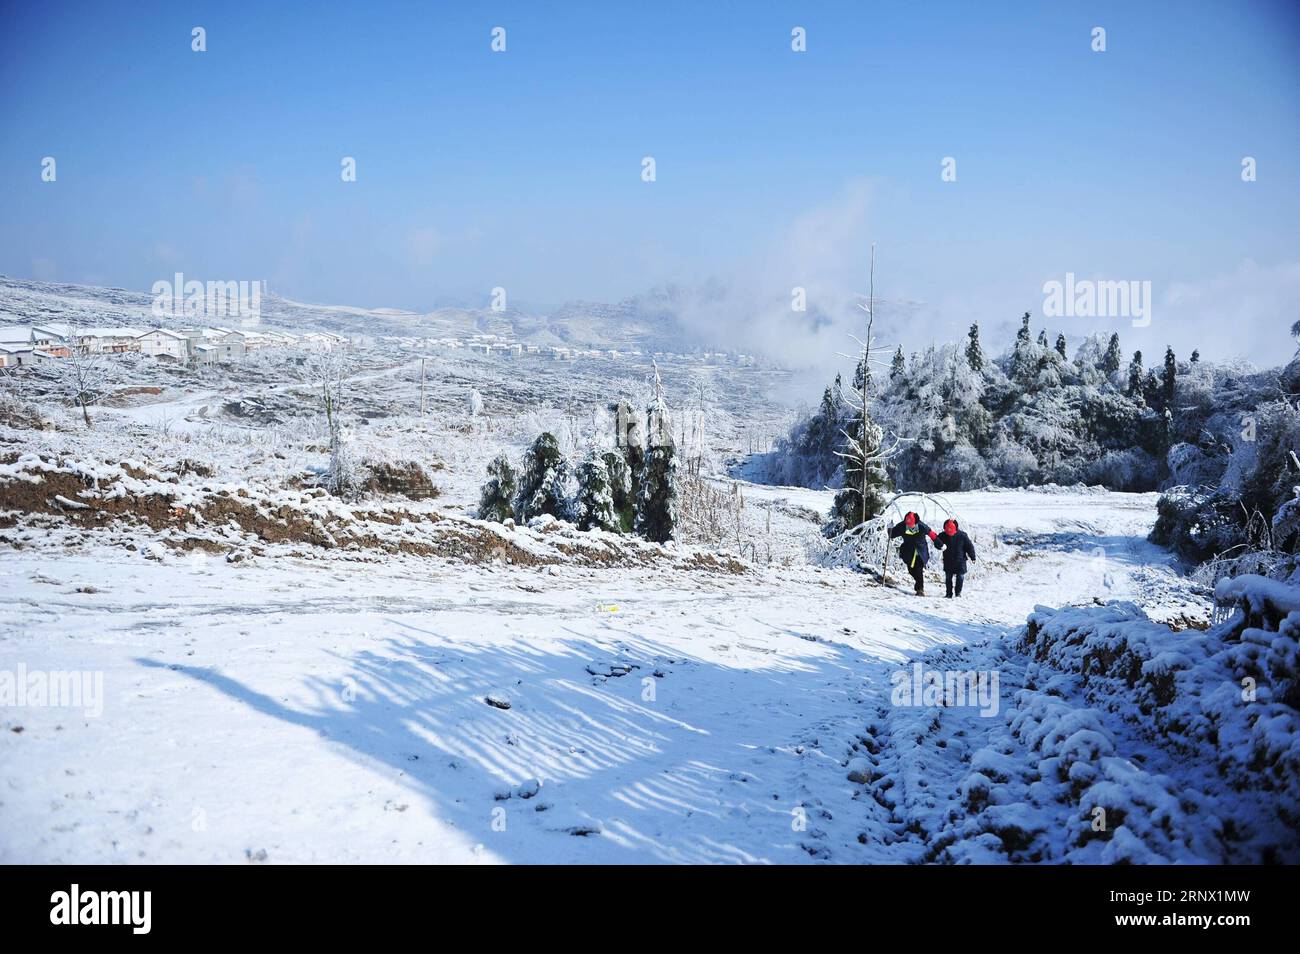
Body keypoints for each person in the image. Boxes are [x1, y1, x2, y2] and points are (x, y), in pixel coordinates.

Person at [887, 511, 938, 596]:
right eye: (907, 524)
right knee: (911, 570)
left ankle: (920, 589)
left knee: (918, 570)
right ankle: (918, 585)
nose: (909, 526)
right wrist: (889, 528)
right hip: (908, 552)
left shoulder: (921, 526)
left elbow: (932, 534)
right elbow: (892, 535)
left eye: (911, 524)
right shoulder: (902, 526)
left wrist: (940, 544)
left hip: (921, 551)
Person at [934, 518, 977, 598]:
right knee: (948, 578)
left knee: (960, 577)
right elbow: (936, 542)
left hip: (960, 561)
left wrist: (973, 557)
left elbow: (969, 547)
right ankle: (948, 594)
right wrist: (940, 546)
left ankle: (958, 593)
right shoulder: (942, 535)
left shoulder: (962, 536)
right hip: (948, 560)